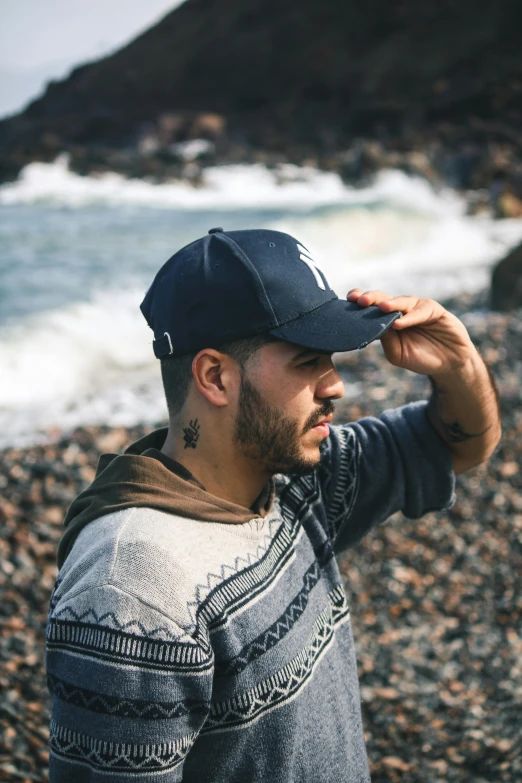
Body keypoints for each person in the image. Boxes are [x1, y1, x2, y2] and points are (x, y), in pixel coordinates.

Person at [46, 228, 500, 782]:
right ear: (215, 376)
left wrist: (457, 364)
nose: (335, 385)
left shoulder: (294, 482)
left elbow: (456, 446)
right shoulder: (133, 589)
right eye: (308, 361)